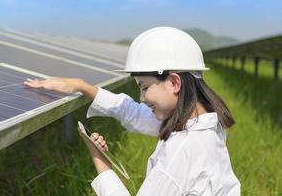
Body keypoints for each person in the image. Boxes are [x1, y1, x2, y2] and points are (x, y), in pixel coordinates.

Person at [24, 27, 241, 195]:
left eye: (144, 87)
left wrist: (99, 159)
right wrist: (82, 86)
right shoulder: (203, 124)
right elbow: (135, 113)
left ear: (174, 82)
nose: (142, 98)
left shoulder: (182, 150)